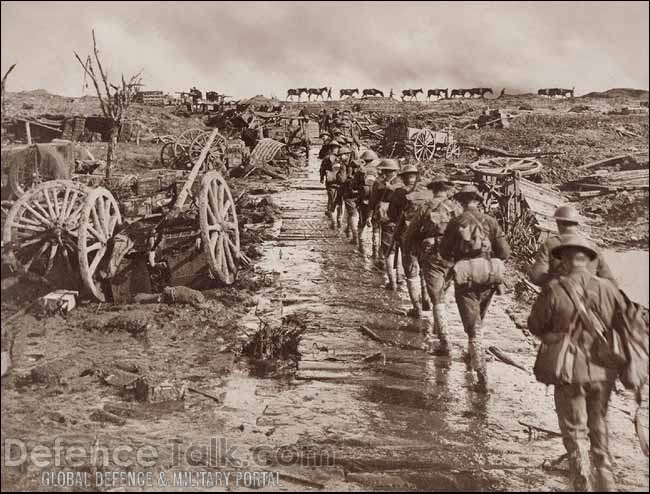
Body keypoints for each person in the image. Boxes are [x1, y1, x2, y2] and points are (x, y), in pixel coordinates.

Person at [528, 235, 623, 491]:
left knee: (575, 432)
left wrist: (553, 335)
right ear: (588, 260)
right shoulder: (608, 289)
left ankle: (582, 483)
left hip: (570, 370)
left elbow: (535, 324)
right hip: (603, 372)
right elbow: (623, 325)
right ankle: (607, 481)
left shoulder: (556, 288)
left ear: (566, 260)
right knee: (599, 427)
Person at [439, 185, 511, 392]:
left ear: (461, 202)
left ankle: (481, 376)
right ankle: (473, 353)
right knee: (479, 316)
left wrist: (459, 258)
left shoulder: (456, 222)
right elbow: (505, 252)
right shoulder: (491, 221)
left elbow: (444, 252)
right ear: (478, 202)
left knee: (472, 326)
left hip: (466, 276)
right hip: (488, 275)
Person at [405, 175, 462, 349]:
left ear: (433, 189)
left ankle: (444, 339)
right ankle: (439, 328)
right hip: (453, 256)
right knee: (443, 290)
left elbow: (411, 232)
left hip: (433, 256)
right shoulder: (457, 208)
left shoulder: (426, 206)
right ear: (448, 190)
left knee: (436, 297)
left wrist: (412, 248)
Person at [528, 205, 617, 287]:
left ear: (558, 223)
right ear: (576, 224)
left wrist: (528, 269)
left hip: (559, 299)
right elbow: (611, 282)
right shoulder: (593, 247)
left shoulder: (551, 244)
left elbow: (537, 277)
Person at [390, 164, 430, 316]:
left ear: (403, 177)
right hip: (426, 238)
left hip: (408, 237)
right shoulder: (427, 193)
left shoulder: (400, 193)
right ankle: (426, 299)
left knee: (411, 271)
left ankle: (417, 308)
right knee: (425, 268)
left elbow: (393, 215)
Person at [377, 159, 405, 290]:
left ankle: (392, 281)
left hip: (390, 222)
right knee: (399, 250)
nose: (382, 174)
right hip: (402, 224)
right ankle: (400, 276)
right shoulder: (403, 185)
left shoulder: (392, 186)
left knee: (388, 252)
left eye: (384, 172)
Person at [340, 159, 363, 244]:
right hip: (358, 199)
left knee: (352, 216)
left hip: (351, 199)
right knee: (354, 217)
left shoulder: (350, 178)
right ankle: (354, 235)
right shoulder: (361, 176)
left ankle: (355, 236)